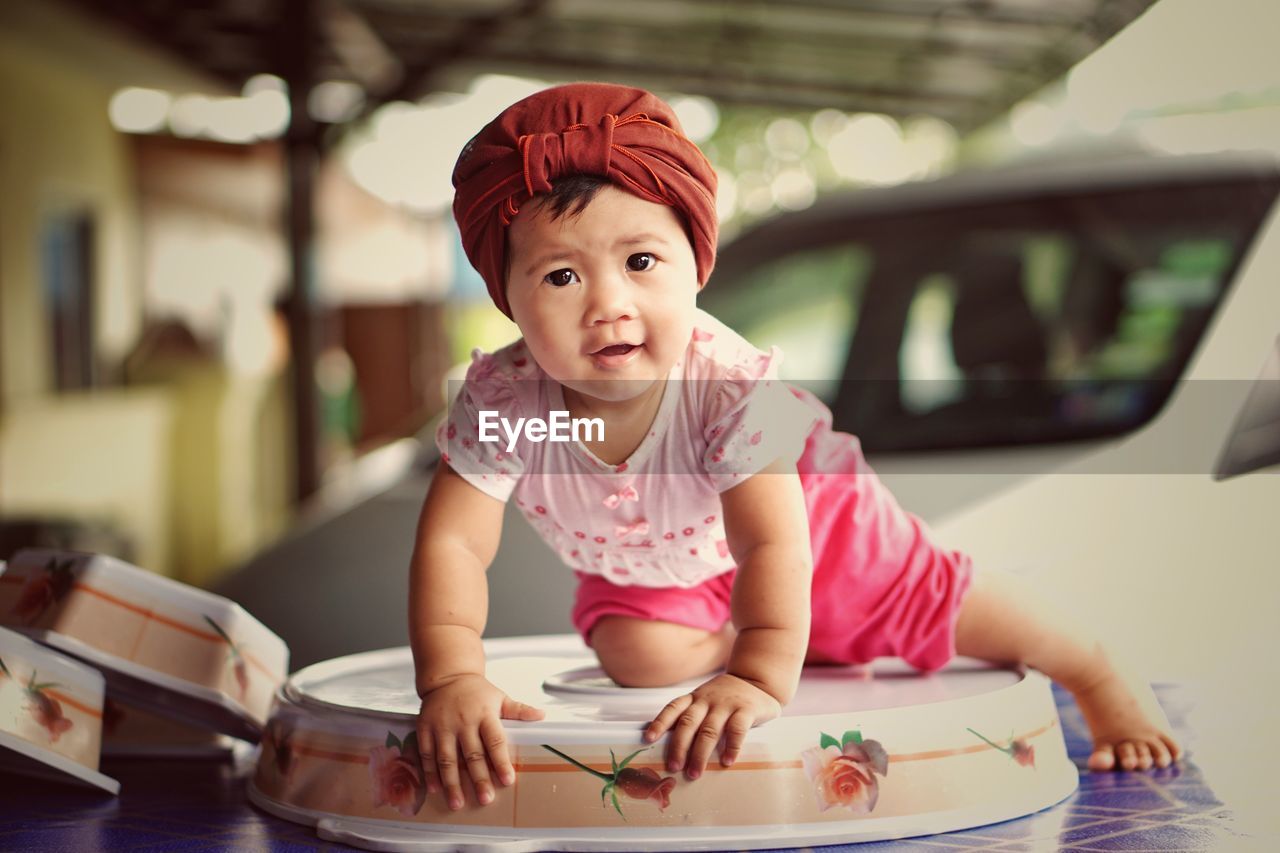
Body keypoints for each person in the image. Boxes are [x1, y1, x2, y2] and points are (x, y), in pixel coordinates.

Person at [411, 82, 1181, 812]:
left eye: (641, 262)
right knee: (633, 653)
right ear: (505, 296)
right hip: (669, 566)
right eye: (561, 276)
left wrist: (754, 675)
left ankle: (1095, 666)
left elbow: (773, 540)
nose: (609, 304)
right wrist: (451, 677)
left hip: (816, 525)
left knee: (937, 607)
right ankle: (776, 631)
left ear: (695, 266)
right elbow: (453, 540)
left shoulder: (721, 389)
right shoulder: (510, 403)